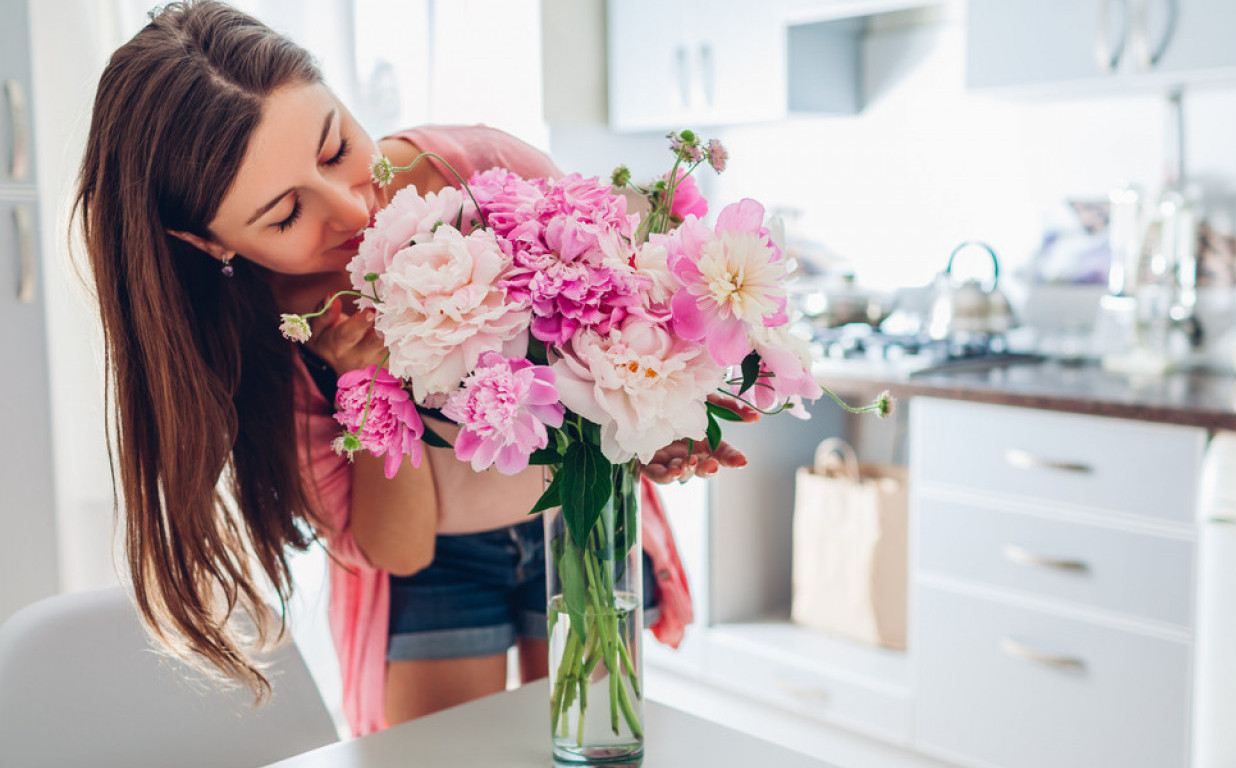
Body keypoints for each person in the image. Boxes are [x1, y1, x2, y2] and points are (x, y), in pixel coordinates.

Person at [74, 0, 752, 738]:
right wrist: (371, 388)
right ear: (209, 243)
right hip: (436, 569)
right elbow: (401, 550)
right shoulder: (262, 349)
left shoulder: (478, 170)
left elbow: (619, 325)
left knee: (596, 740)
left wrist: (659, 423)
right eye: (286, 215)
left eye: (335, 148)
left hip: (578, 519)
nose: (348, 210)